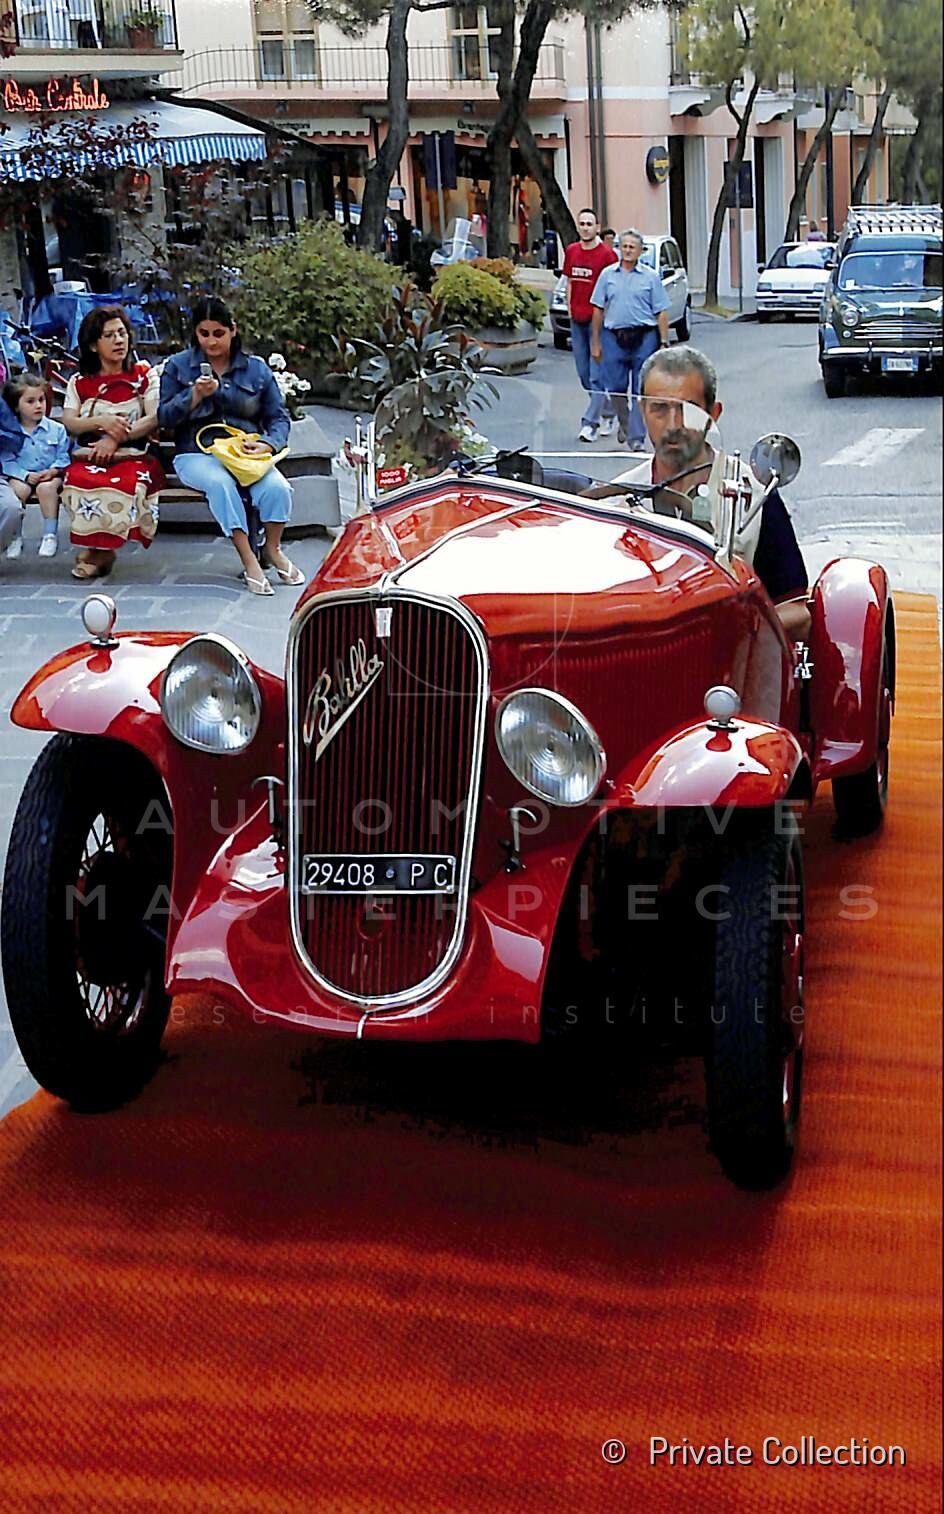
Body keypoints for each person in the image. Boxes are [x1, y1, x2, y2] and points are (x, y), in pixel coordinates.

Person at [609, 345, 811, 638]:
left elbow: (796, 610)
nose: (674, 425)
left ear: (713, 414)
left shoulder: (755, 496)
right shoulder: (614, 501)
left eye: (688, 410)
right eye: (660, 409)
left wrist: (735, 630)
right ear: (642, 411)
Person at [159, 296, 302, 596]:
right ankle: (249, 560)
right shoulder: (178, 366)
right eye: (204, 333)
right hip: (196, 453)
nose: (211, 341)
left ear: (233, 330)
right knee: (221, 484)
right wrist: (194, 396)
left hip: (244, 453)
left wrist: (268, 444)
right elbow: (164, 417)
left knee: (276, 488)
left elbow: (278, 418)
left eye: (218, 333)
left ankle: (273, 549)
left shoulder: (256, 369)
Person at [61, 306, 163, 581]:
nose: (119, 340)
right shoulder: (80, 382)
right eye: (109, 335)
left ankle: (100, 553)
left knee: (125, 483)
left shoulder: (144, 374)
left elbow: (154, 417)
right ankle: (99, 550)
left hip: (135, 454)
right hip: (92, 454)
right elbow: (70, 420)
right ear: (93, 345)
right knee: (78, 479)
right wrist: (101, 422)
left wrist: (115, 438)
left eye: (122, 333)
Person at [590, 229, 670, 447]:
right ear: (619, 249)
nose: (627, 251)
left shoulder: (650, 277)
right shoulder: (607, 275)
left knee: (640, 390)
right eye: (624, 246)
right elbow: (597, 308)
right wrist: (595, 343)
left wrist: (664, 342)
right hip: (613, 336)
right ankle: (625, 424)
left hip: (644, 337)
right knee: (615, 386)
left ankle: (636, 438)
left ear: (640, 251)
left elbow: (661, 311)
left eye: (632, 247)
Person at [562, 207, 618, 443]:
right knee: (584, 375)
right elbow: (570, 282)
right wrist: (569, 308)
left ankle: (589, 424)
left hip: (599, 324)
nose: (585, 228)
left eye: (589, 224)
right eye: (582, 223)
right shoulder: (572, 251)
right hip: (577, 320)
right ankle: (609, 411)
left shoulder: (607, 255)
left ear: (597, 227)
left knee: (596, 376)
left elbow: (614, 288)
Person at [1, 373, 70, 559]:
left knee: (46, 489)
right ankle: (15, 536)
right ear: (16, 406)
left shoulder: (57, 429)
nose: (39, 405)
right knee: (18, 490)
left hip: (50, 475)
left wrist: (54, 470)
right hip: (21, 475)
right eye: (30, 401)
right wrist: (24, 475)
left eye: (41, 400)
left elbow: (63, 455)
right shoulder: (10, 432)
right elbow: (6, 460)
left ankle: (49, 535)